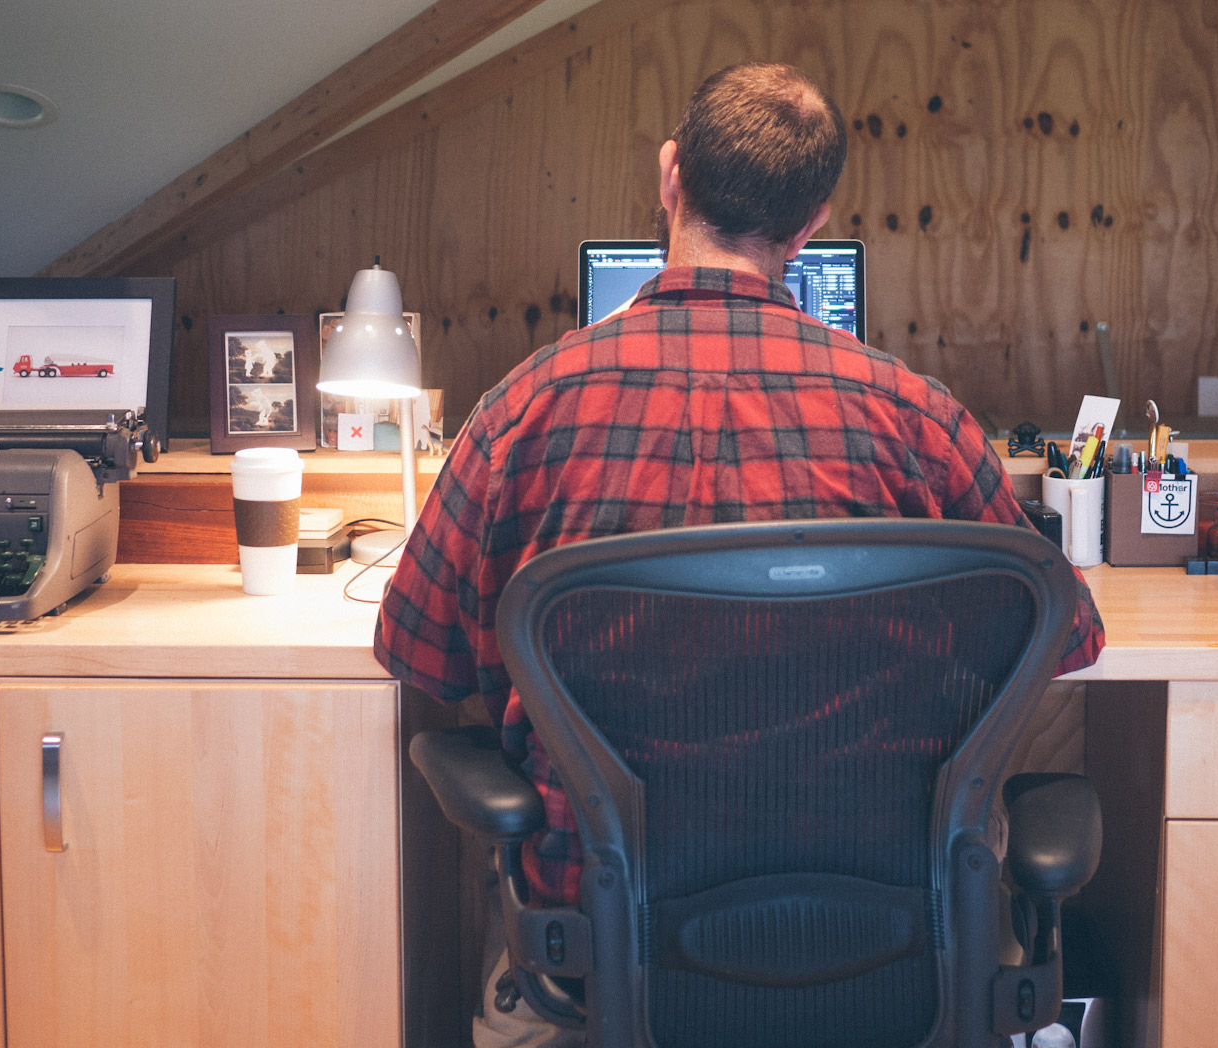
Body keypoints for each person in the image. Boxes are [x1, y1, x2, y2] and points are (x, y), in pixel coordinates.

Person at [375, 61, 1106, 1046]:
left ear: (669, 177)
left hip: (604, 936)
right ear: (810, 226)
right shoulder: (910, 416)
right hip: (892, 933)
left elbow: (419, 651)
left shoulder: (527, 408)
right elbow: (1064, 634)